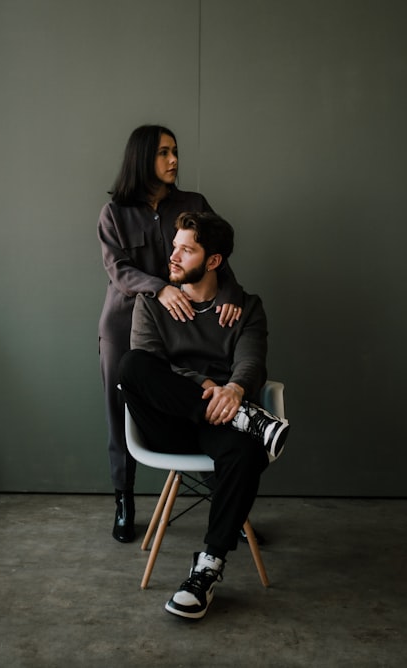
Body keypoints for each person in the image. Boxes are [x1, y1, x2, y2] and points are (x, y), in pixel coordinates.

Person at [118, 211, 289, 620]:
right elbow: (153, 365)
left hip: (219, 423)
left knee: (245, 454)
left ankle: (207, 569)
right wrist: (207, 387)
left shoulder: (245, 308)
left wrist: (233, 389)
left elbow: (251, 362)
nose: (172, 257)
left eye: (186, 250)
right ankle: (246, 419)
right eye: (174, 246)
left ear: (213, 261)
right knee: (132, 367)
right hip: (168, 423)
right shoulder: (151, 304)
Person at [97, 125, 243, 543]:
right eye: (164, 153)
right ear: (143, 158)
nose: (174, 160)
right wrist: (160, 287)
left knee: (195, 393)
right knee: (120, 407)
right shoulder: (114, 214)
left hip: (186, 323)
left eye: (175, 151)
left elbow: (218, 254)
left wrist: (230, 294)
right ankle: (124, 498)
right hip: (125, 322)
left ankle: (224, 495)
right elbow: (118, 270)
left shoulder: (193, 203)